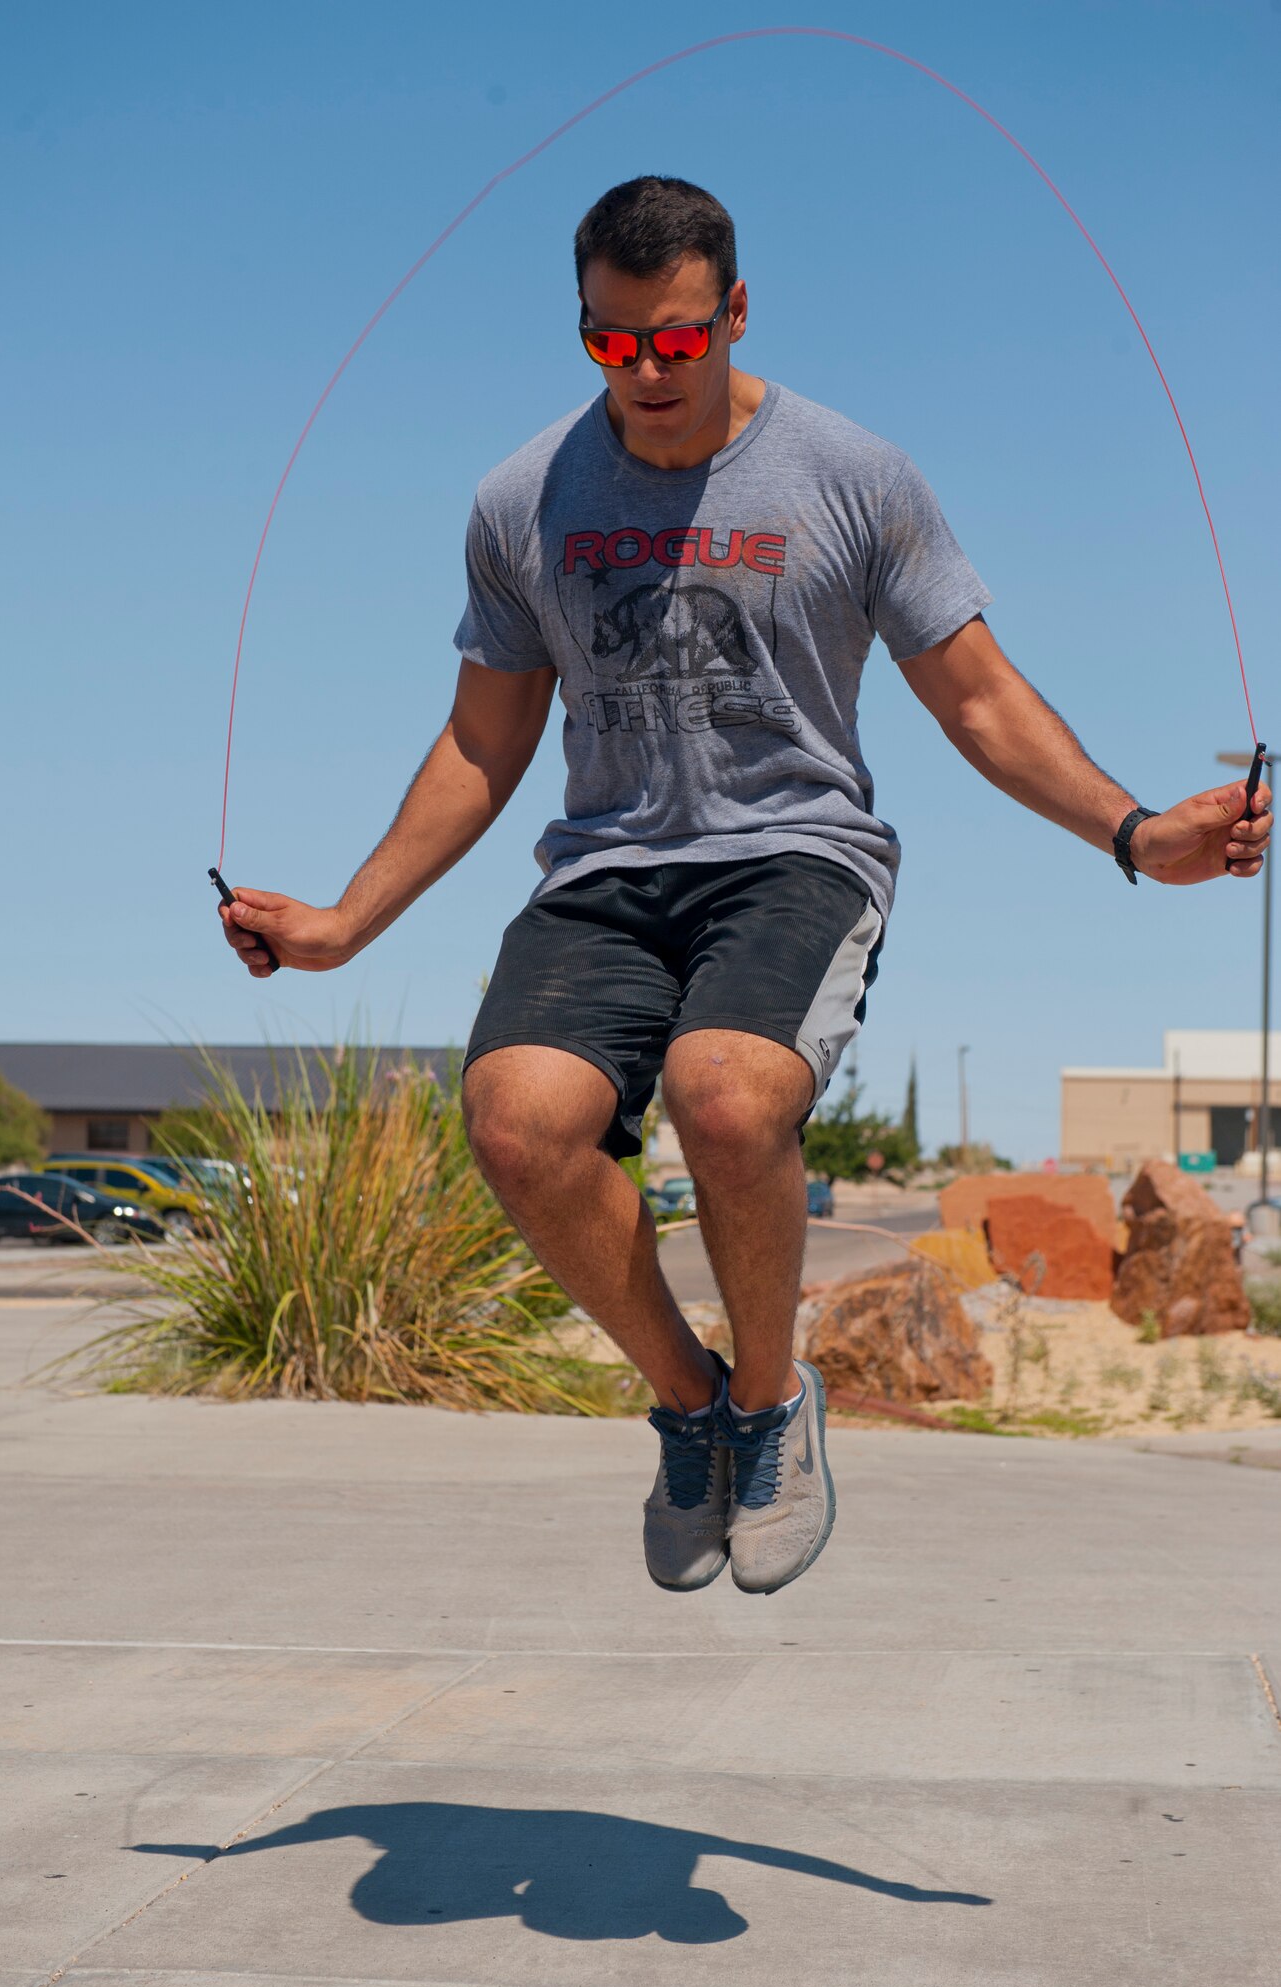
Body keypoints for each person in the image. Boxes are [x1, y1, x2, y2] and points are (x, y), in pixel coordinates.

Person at [219, 176, 1272, 1597]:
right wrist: (347, 920)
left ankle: (775, 1407)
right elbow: (487, 735)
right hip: (606, 868)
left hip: (794, 857)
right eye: (610, 343)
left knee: (727, 1096)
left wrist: (1136, 833)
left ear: (734, 312)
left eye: (676, 339)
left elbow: (974, 699)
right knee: (517, 1124)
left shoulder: (852, 475)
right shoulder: (522, 500)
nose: (648, 372)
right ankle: (692, 1405)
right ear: (583, 324)